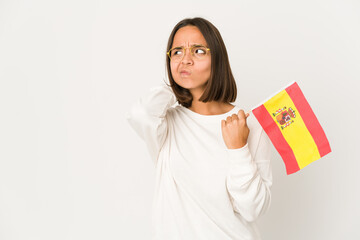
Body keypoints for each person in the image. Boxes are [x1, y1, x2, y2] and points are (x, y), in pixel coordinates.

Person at [126, 17, 273, 240]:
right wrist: (173, 86)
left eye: (198, 51)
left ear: (218, 59)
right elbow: (140, 114)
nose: (185, 60)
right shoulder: (166, 123)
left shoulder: (249, 123)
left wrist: (238, 149)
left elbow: (253, 210)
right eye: (176, 52)